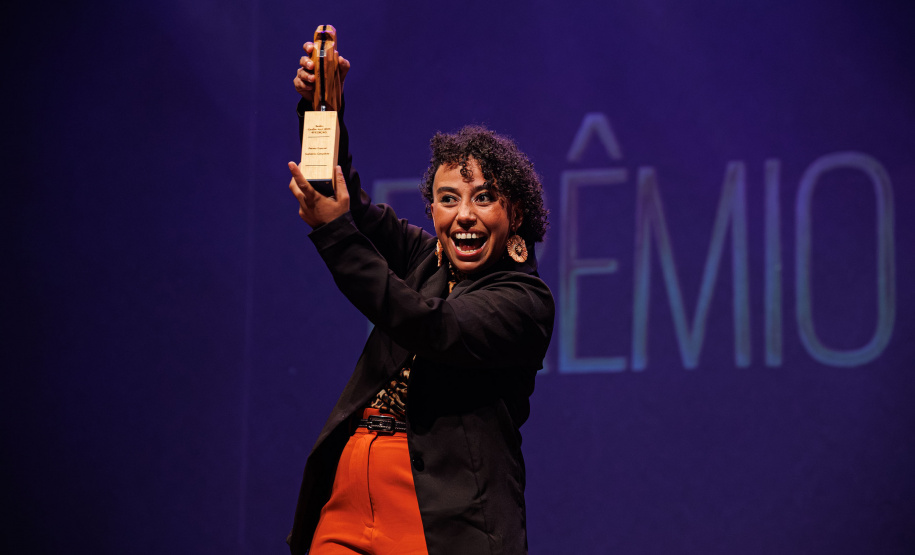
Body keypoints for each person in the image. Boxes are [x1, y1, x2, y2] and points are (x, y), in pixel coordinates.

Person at [285, 38, 554, 555]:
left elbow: (431, 326)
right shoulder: (424, 258)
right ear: (432, 211)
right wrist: (323, 112)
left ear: (515, 214)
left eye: (484, 198)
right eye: (448, 199)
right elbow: (351, 206)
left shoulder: (524, 301)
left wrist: (334, 234)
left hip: (438, 520)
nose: (464, 215)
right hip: (348, 500)